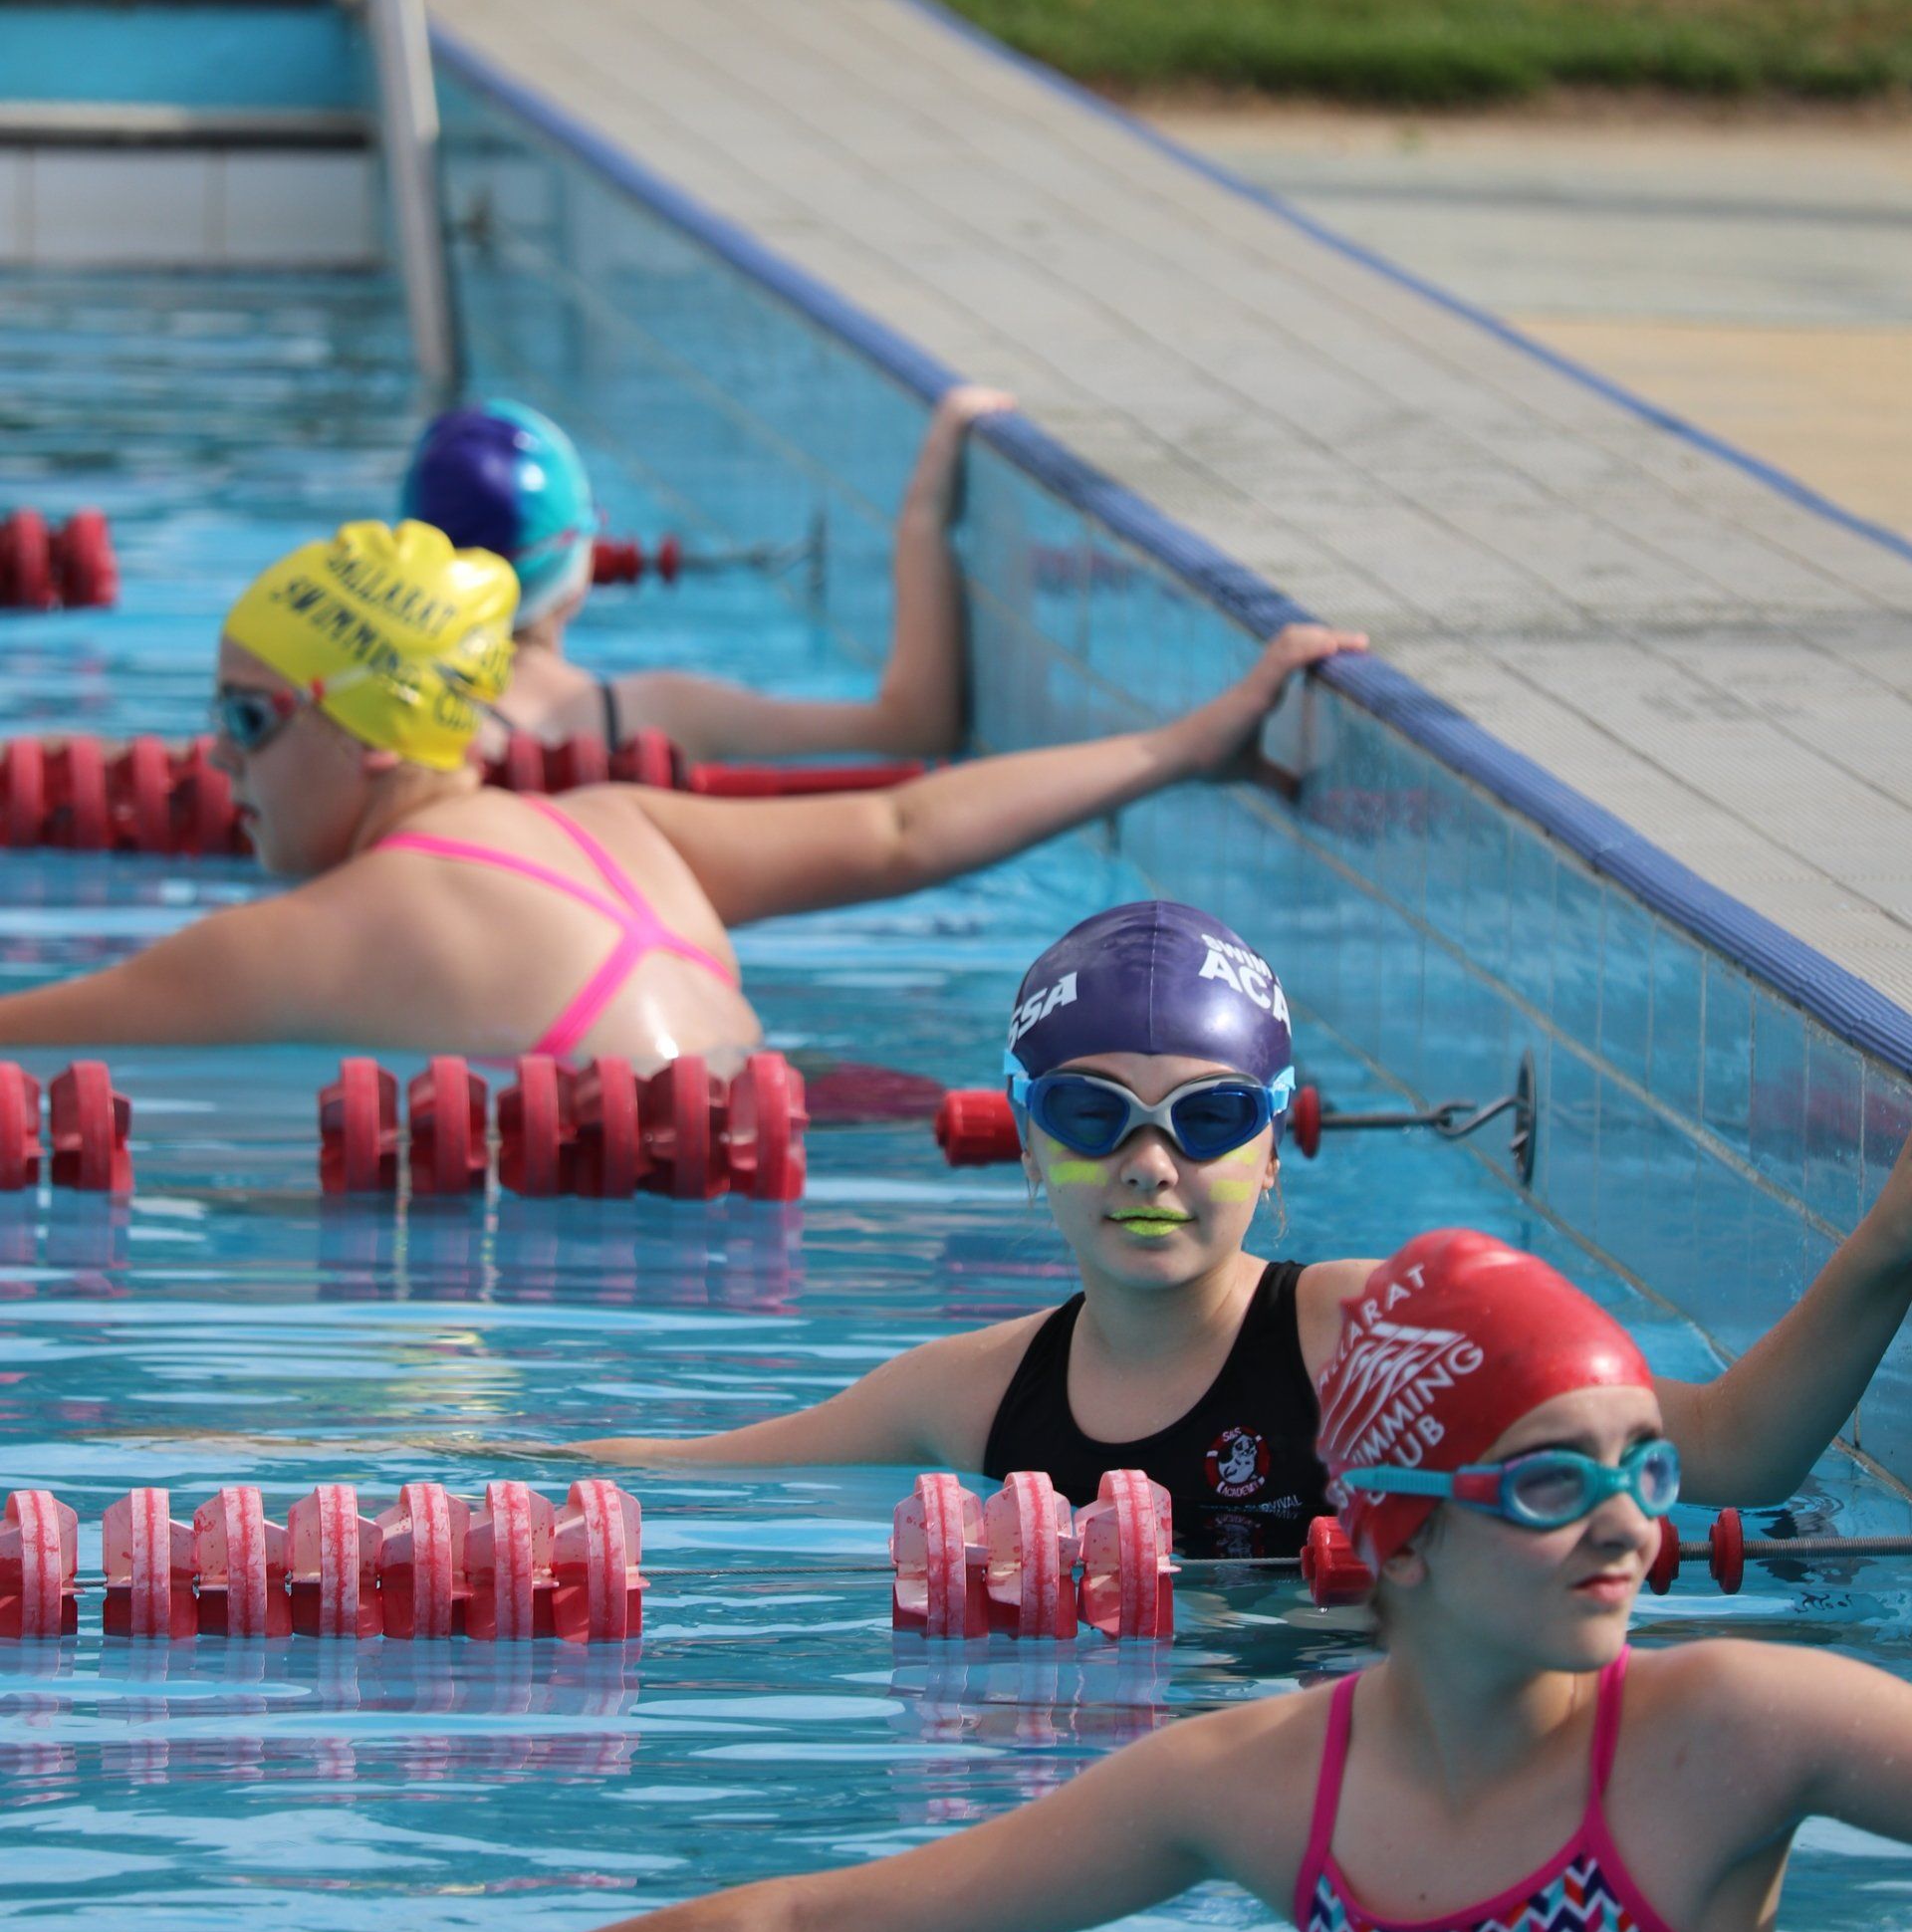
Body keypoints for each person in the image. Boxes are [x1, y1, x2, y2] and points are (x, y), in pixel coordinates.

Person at [439, 1231, 1912, 1932]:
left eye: (1644, 1472)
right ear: (1392, 1535)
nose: (1628, 1527)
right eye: (1547, 1485)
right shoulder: (1258, 1789)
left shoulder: (1738, 1725)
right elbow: (819, 1917)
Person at [560, 898, 1912, 1556]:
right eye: (1092, 1115)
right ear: (1027, 1142)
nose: (1149, 1163)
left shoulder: (1373, 1336)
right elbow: (691, 1472)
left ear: (1271, 1149)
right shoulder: (965, 1395)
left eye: (1206, 1120)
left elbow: (1733, 1455)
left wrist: (1889, 1245)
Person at [0, 525, 1363, 1058]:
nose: (213, 762)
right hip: (758, 1182)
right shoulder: (616, 822)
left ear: (370, 734)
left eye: (246, 718)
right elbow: (906, 827)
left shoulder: (306, 939)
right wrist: (1184, 744)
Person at [401, 385, 1012, 763]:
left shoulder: (396, 729)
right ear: (581, 565)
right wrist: (923, 516)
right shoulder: (663, 714)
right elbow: (914, 728)